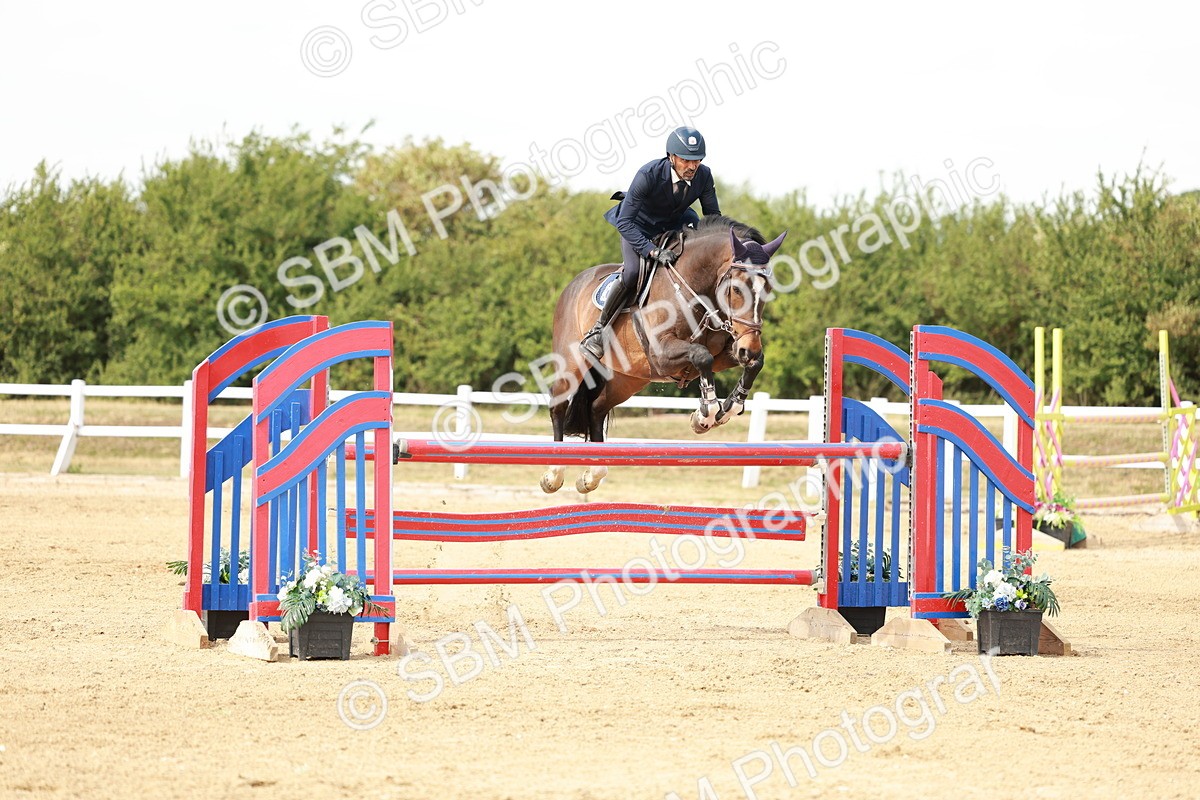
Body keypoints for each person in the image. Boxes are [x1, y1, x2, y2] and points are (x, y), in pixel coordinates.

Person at [580, 125, 721, 360]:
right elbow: (625, 222)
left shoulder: (704, 175)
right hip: (638, 225)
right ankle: (598, 329)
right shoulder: (649, 175)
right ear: (671, 157)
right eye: (686, 160)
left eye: (697, 160)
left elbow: (714, 219)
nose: (692, 166)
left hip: (674, 223)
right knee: (633, 272)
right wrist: (652, 251)